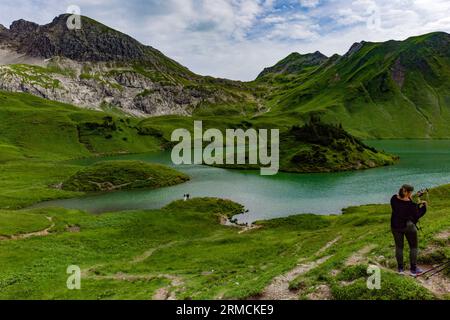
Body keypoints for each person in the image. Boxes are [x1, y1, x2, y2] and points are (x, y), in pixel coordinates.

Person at [391, 184, 427, 277]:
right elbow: (417, 215)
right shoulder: (411, 205)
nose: (412, 194)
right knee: (413, 247)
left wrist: (410, 199)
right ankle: (413, 270)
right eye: (411, 192)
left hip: (395, 226)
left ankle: (400, 269)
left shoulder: (393, 199)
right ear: (407, 192)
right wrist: (423, 207)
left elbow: (401, 206)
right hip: (408, 227)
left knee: (399, 247)